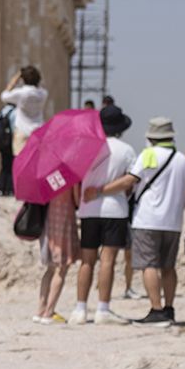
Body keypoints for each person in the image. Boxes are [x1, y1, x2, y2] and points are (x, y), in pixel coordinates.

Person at [94, 117, 185, 326]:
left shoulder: (148, 155)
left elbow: (130, 180)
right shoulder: (182, 159)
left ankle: (156, 310)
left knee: (149, 265)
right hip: (173, 221)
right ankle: (169, 308)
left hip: (147, 219)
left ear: (150, 137)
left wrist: (101, 191)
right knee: (168, 267)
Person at [71, 105, 138, 325]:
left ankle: (80, 308)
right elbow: (131, 180)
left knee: (87, 260)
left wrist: (79, 199)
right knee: (107, 260)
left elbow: (74, 177)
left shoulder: (85, 147)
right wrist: (104, 190)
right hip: (115, 209)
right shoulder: (127, 150)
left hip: (88, 209)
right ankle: (103, 308)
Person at [32, 187, 79, 324]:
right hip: (64, 220)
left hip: (48, 221)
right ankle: (49, 311)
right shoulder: (70, 177)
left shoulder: (47, 175)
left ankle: (40, 310)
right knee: (61, 268)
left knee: (50, 268)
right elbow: (77, 201)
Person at [0, 67, 49, 156]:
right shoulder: (43, 94)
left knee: (20, 162)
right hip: (38, 130)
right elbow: (39, 87)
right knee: (35, 161)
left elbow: (4, 96)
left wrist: (14, 80)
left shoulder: (20, 93)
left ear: (23, 79)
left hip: (22, 131)